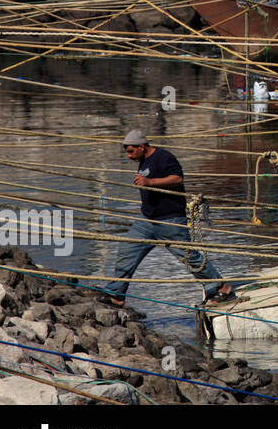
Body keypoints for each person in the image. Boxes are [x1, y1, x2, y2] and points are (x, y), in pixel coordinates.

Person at [98, 130, 233, 309]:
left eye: (131, 151)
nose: (128, 155)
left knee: (190, 257)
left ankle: (222, 288)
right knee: (126, 251)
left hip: (170, 220)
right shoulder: (143, 160)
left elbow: (177, 178)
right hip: (146, 220)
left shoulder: (164, 157)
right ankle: (116, 294)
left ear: (142, 146)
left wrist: (150, 183)